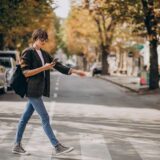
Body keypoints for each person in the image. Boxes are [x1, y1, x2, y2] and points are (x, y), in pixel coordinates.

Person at [12, 28, 86, 156]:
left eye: (45, 40)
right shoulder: (27, 52)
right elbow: (26, 73)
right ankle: (57, 146)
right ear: (35, 39)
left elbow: (58, 66)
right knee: (45, 117)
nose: (44, 42)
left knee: (24, 118)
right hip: (32, 90)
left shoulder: (45, 54)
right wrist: (43, 68)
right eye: (42, 40)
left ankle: (16, 145)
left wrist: (75, 71)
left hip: (38, 90)